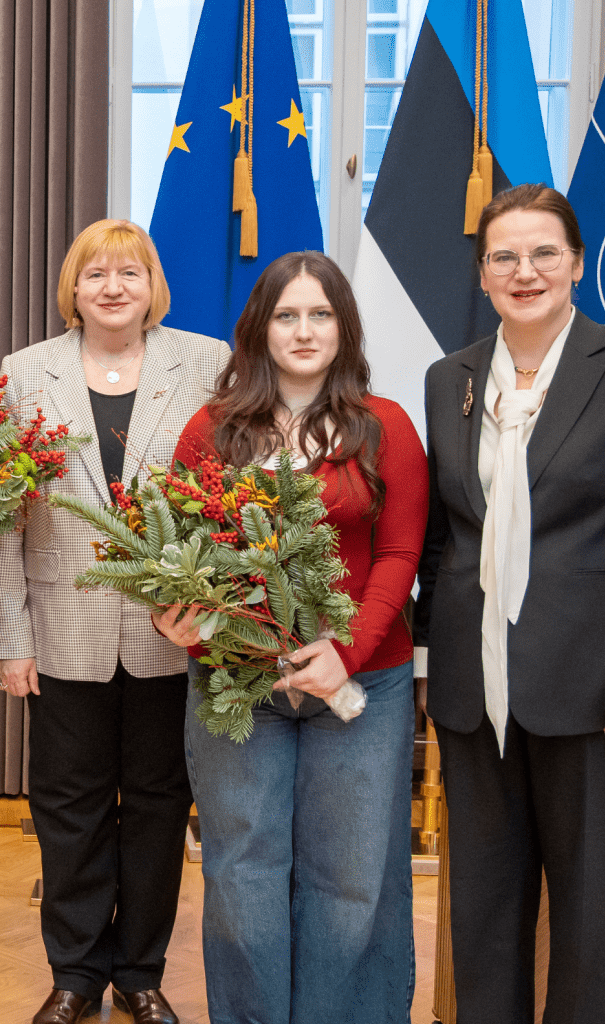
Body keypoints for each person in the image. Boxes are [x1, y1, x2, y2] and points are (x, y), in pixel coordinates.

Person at [414, 183, 605, 1024]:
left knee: (588, 923)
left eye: (544, 253)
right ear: (482, 272)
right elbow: (441, 538)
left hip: (599, 694)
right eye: (504, 255)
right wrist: (433, 663)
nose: (525, 270)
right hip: (478, 695)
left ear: (576, 263)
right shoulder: (449, 379)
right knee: (484, 916)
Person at [154, 251, 428, 1024]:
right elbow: (173, 554)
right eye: (286, 315)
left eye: (320, 314)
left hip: (362, 687)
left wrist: (347, 651)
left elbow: (402, 555)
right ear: (258, 329)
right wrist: (176, 621)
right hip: (238, 685)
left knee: (351, 885)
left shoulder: (387, 427)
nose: (304, 331)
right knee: (242, 878)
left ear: (343, 327)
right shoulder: (210, 431)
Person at [0, 220, 228, 1024]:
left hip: (170, 634)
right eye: (96, 275)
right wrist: (9, 641)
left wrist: (213, 617)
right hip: (60, 633)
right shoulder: (24, 373)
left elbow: (227, 505)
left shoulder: (207, 365)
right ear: (72, 289)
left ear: (153, 284)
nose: (113, 287)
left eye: (130, 272)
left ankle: (141, 973)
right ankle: (76, 973)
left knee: (157, 806)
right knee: (69, 809)